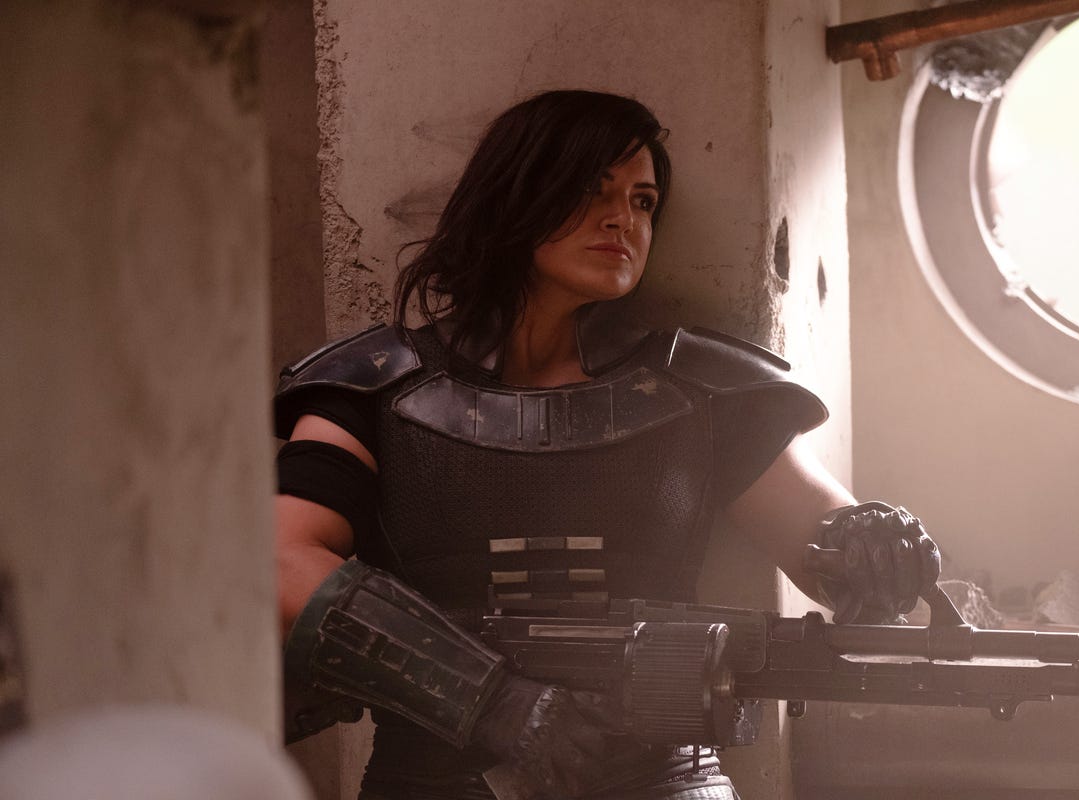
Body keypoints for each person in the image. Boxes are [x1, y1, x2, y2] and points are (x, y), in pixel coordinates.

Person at [274, 90, 940, 800]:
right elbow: (281, 560)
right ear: (515, 195)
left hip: (665, 781)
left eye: (643, 202)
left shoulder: (702, 389)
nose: (623, 219)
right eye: (592, 191)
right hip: (432, 781)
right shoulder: (373, 385)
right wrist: (492, 701)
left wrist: (876, 551)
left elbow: (829, 551)